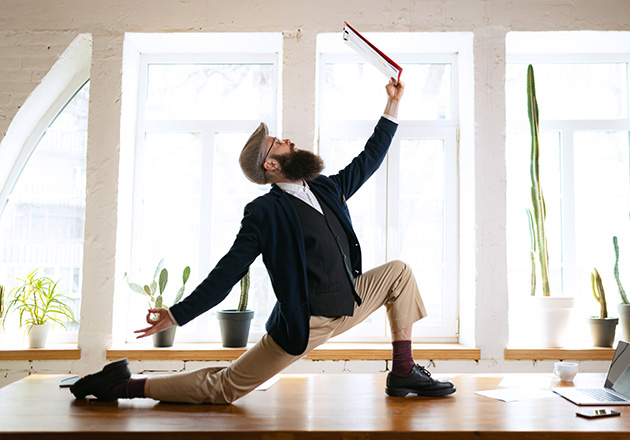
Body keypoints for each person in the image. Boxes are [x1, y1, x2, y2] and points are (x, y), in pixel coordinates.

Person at [71, 78, 456, 404]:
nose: (288, 140)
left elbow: (368, 159)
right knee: (224, 389)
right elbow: (228, 271)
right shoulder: (265, 213)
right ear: (271, 164)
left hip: (349, 302)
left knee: (398, 273)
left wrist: (392, 105)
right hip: (308, 322)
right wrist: (177, 314)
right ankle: (121, 385)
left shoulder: (324, 188)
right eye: (279, 143)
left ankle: (403, 372)